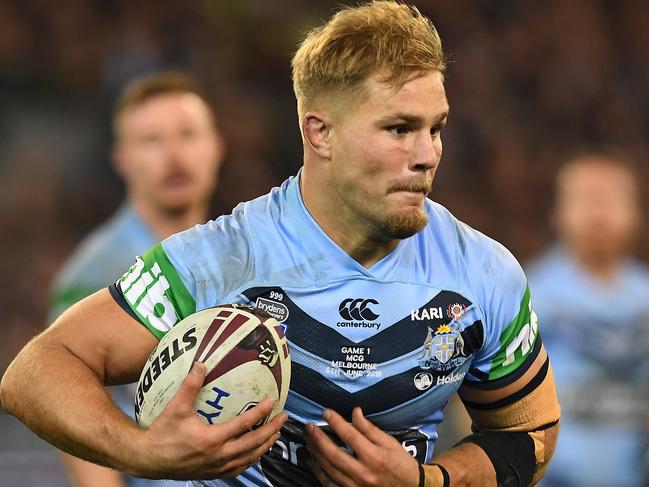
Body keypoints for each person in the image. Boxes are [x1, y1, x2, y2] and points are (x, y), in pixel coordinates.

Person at [1, 2, 560, 486]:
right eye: (399, 129)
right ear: (320, 133)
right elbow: (36, 371)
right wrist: (141, 451)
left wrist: (426, 480)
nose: (428, 154)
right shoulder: (219, 260)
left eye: (435, 128)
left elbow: (530, 434)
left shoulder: (483, 272)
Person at [46, 71, 225, 487]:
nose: (174, 156)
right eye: (151, 140)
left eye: (187, 134)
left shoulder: (233, 252)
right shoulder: (97, 269)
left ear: (216, 147)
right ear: (122, 160)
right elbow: (68, 406)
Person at [526, 154, 649, 487]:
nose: (599, 213)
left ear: (636, 212)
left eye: (610, 198)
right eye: (584, 198)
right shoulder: (526, 295)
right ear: (557, 212)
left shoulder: (645, 299)